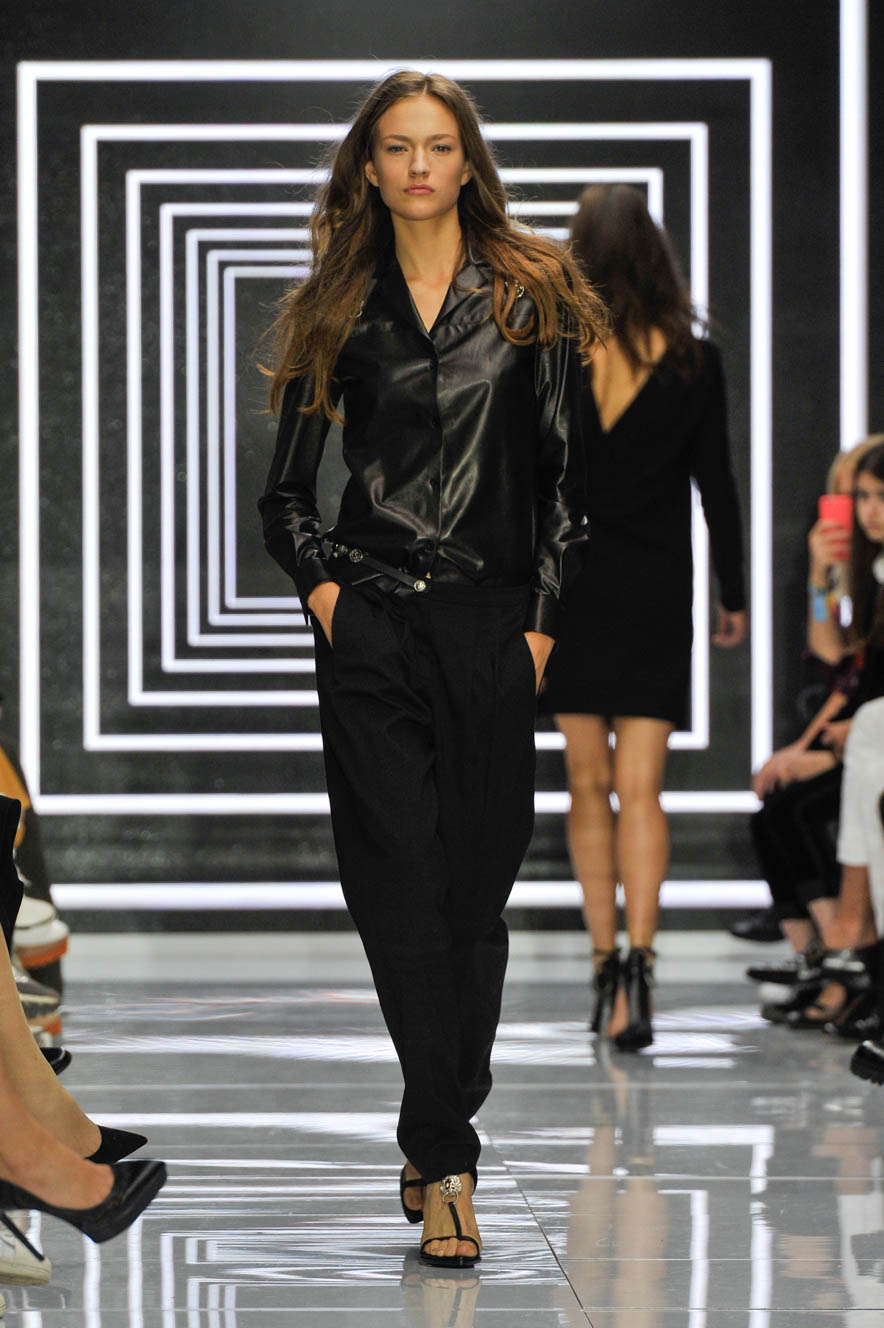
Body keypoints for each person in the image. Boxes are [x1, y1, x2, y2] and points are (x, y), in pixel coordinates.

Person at [258, 70, 607, 1266]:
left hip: (492, 626)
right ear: (367, 165)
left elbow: (567, 485)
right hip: (373, 629)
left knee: (471, 895)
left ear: (468, 161)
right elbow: (284, 495)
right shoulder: (335, 304)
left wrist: (538, 627)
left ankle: (432, 1116)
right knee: (397, 885)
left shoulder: (530, 294)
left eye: (438, 145)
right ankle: (448, 1159)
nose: (417, 166)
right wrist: (329, 600)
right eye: (397, 146)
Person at [539, 184, 747, 1051]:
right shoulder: (693, 360)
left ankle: (603, 966)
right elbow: (717, 486)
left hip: (572, 584)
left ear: (580, 252)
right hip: (657, 586)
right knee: (642, 787)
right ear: (655, 253)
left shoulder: (552, 352)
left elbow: (530, 478)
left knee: (587, 783)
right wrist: (734, 593)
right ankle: (641, 966)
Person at [748, 441, 884, 1028]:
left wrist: (820, 751)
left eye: (875, 496)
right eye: (854, 498)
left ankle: (842, 963)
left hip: (871, 733)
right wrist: (819, 575)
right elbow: (839, 658)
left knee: (794, 812)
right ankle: (828, 963)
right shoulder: (869, 571)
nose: (864, 512)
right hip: (863, 726)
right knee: (778, 809)